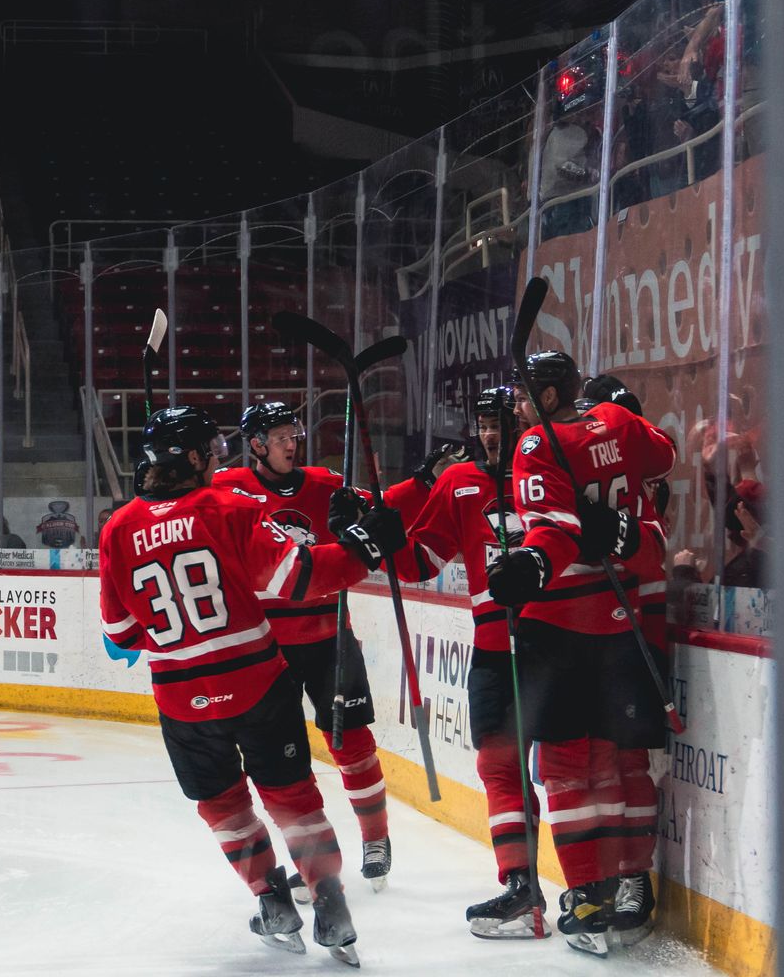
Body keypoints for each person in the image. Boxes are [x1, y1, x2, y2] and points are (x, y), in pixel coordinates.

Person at [98, 405, 408, 965]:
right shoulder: (229, 508)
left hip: (182, 702)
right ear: (191, 457)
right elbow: (305, 577)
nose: (219, 459)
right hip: (258, 684)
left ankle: (271, 900)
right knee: (293, 798)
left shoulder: (117, 528)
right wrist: (366, 548)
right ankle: (330, 904)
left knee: (223, 806)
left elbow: (119, 632)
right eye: (210, 451)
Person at [483, 352, 676, 958]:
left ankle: (591, 892)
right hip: (623, 626)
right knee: (620, 764)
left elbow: (556, 530)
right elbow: (665, 456)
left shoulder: (538, 442)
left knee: (572, 767)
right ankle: (627, 882)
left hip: (563, 624)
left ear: (544, 397)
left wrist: (532, 564)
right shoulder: (619, 425)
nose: (513, 408)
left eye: (521, 397)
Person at [385, 385, 551, 937]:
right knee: (497, 764)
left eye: (499, 421)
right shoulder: (458, 484)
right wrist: (385, 537)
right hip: (490, 647)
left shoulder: (546, 471)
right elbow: (420, 561)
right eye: (482, 423)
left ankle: (593, 888)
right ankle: (521, 886)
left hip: (553, 640)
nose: (489, 433)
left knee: (569, 763)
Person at [210, 402, 394, 894]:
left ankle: (376, 840)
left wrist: (363, 517)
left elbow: (380, 507)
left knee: (350, 743)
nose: (292, 443)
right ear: (255, 445)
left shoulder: (327, 483)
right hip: (267, 648)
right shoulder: (228, 489)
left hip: (330, 636)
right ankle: (310, 858)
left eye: (294, 434)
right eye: (280, 436)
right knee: (284, 764)